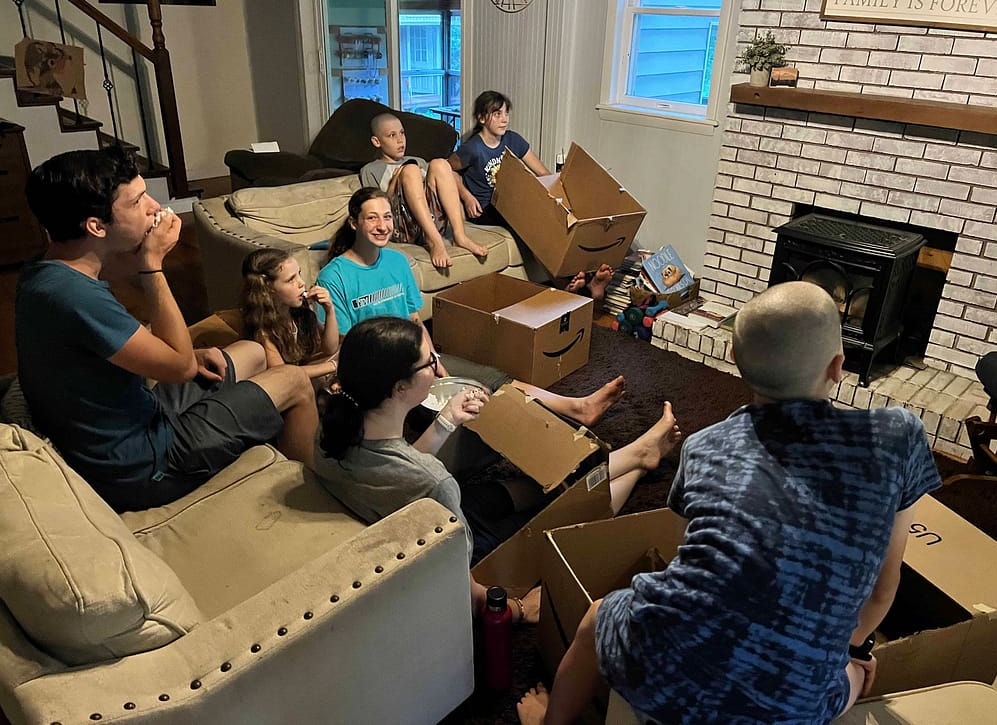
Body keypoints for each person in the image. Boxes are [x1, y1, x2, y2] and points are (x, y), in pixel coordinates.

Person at [518, 281, 942, 725]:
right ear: (838, 366)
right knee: (856, 672)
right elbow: (880, 589)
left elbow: (704, 564)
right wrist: (852, 654)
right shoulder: (897, 438)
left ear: (735, 362)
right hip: (791, 707)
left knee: (596, 619)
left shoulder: (704, 448)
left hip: (665, 677)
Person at [314, 315, 681, 619]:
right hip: (453, 546)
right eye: (430, 361)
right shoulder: (433, 483)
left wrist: (446, 422)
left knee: (526, 490)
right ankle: (639, 460)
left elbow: (402, 465)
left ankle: (637, 455)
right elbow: (457, 579)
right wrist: (519, 609)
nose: (439, 367)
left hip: (403, 515)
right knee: (569, 511)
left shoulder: (329, 432)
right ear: (398, 388)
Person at [16, 148, 318, 512]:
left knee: (252, 351)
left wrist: (189, 352)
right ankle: (313, 493)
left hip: (136, 418)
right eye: (137, 201)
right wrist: (152, 264)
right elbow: (180, 368)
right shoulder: (75, 296)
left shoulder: (49, 271)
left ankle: (272, 434)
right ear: (96, 226)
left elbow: (128, 347)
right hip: (145, 465)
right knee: (296, 381)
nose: (154, 207)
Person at [315, 186, 626, 428]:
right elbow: (346, 347)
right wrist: (419, 372)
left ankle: (576, 407)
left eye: (387, 217)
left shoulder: (396, 261)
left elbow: (413, 319)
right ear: (354, 223)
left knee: (488, 380)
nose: (382, 225)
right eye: (372, 218)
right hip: (377, 371)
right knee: (450, 413)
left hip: (414, 354)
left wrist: (432, 357)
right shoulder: (335, 276)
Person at [360, 112, 488, 269]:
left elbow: (441, 183)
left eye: (402, 133)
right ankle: (435, 242)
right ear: (377, 141)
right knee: (411, 170)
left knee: (440, 164)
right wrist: (396, 180)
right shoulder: (370, 170)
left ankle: (460, 235)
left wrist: (467, 196)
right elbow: (375, 207)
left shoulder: (419, 161)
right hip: (402, 228)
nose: (400, 140)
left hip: (433, 219)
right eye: (391, 135)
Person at [240, 247, 340, 391]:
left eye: (299, 274)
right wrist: (333, 366)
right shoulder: (263, 330)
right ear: (268, 289)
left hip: (302, 381)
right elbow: (283, 374)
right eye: (291, 279)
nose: (302, 283)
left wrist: (329, 310)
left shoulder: (299, 312)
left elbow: (330, 348)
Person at [449, 90, 551, 228]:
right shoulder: (473, 148)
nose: (505, 119)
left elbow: (543, 173)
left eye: (506, 113)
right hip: (486, 208)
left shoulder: (513, 139)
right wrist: (467, 197)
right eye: (498, 114)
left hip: (511, 201)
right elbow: (447, 169)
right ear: (482, 118)